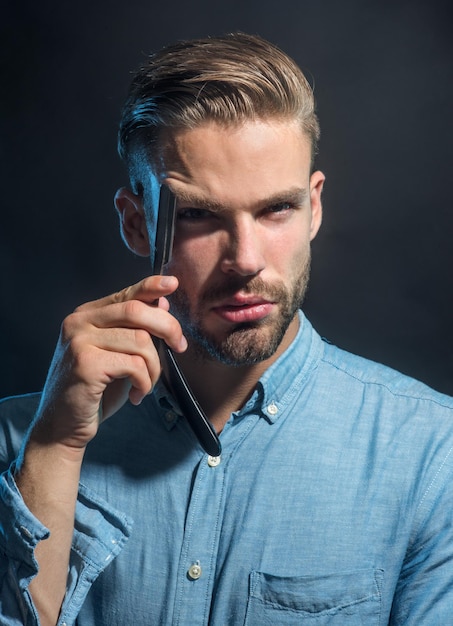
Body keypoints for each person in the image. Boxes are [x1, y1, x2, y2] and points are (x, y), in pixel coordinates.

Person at [1, 32, 453, 626]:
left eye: (276, 210)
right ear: (137, 224)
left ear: (314, 208)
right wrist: (55, 449)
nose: (245, 258)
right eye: (199, 216)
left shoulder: (431, 454)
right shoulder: (21, 444)